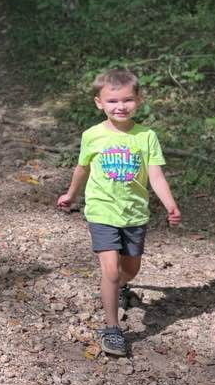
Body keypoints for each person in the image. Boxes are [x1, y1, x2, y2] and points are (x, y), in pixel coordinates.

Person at [56, 68, 181, 356]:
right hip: (101, 211)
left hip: (134, 214)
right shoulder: (93, 135)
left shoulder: (146, 136)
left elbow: (156, 175)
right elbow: (82, 168)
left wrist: (169, 204)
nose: (120, 106)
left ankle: (119, 288)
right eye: (112, 101)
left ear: (139, 99)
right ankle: (112, 329)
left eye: (127, 100)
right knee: (110, 270)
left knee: (129, 269)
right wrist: (71, 195)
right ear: (99, 103)